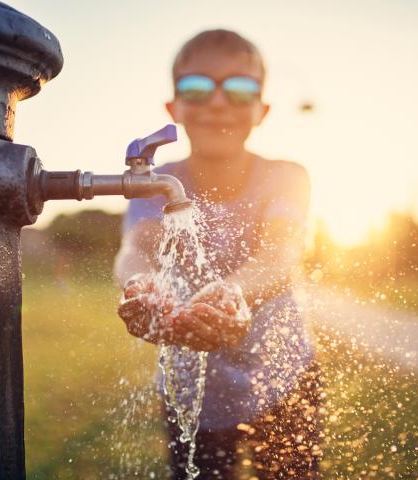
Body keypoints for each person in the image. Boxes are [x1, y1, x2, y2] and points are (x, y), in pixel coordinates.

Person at [114, 29, 321, 479]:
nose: (218, 102)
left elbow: (280, 254)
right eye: (196, 87)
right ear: (174, 108)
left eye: (240, 88)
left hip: (285, 376)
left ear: (262, 109)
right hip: (192, 387)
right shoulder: (154, 182)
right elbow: (136, 250)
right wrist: (140, 287)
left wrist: (234, 291)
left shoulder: (285, 176)